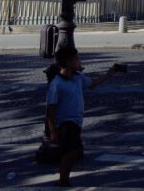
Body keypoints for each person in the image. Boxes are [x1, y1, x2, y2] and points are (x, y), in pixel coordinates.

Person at [45, 47, 122, 187]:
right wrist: (53, 132)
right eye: (77, 59)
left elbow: (92, 84)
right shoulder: (57, 84)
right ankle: (62, 180)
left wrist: (109, 74)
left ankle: (63, 179)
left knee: (74, 151)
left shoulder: (78, 78)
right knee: (75, 151)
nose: (80, 61)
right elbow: (50, 110)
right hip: (66, 124)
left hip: (76, 122)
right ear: (69, 62)